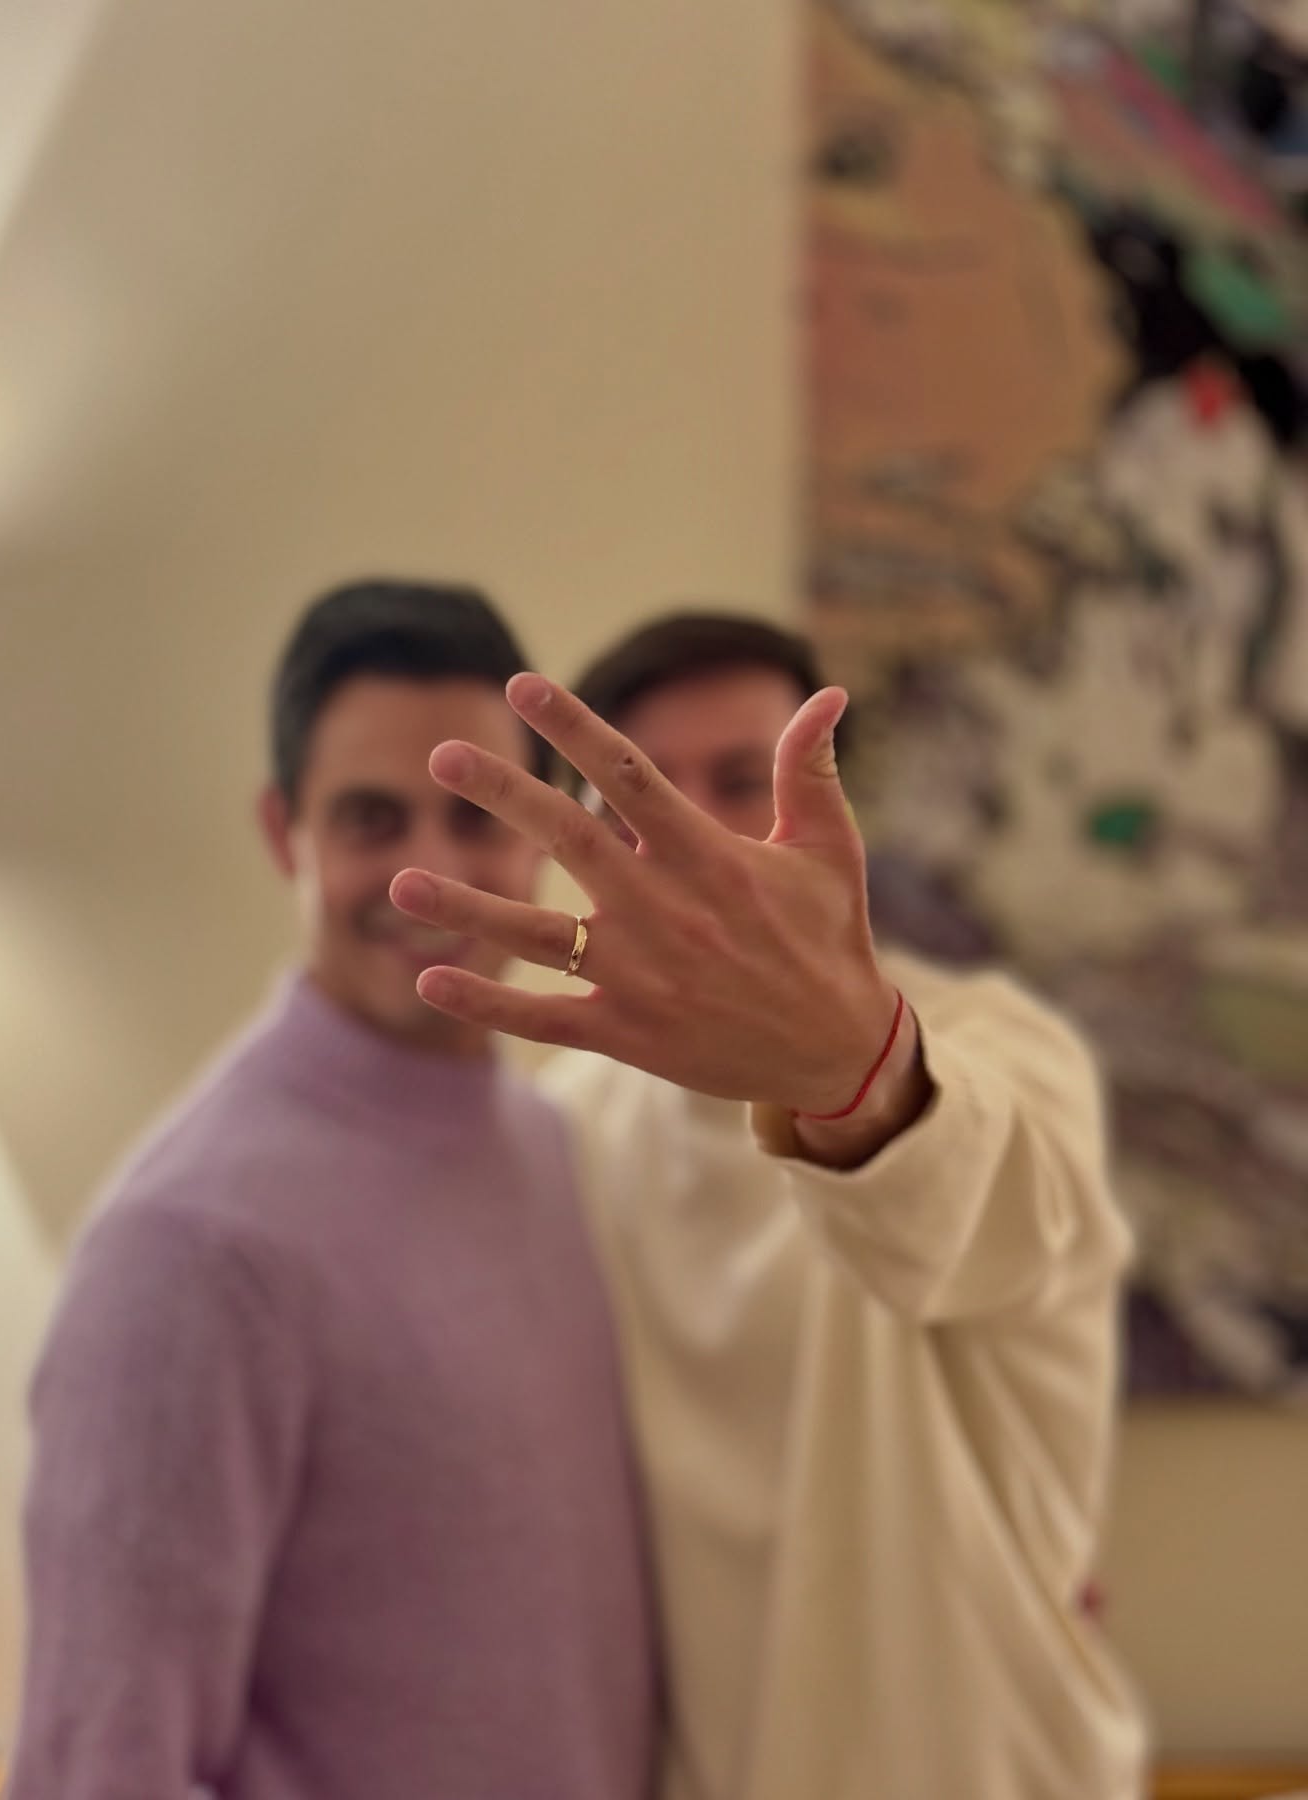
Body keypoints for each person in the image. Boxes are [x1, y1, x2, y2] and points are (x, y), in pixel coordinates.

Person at [389, 610, 1148, 1800]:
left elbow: (970, 1207)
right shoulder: (568, 1130)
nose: (691, 835)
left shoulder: (1001, 1050)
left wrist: (850, 1066)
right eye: (640, 797)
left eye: (745, 782)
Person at [7, 581, 656, 1800]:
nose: (427, 876)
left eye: (475, 817)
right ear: (282, 833)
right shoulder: (190, 1247)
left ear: (544, 833)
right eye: (371, 818)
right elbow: (100, 1772)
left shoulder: (552, 1150)